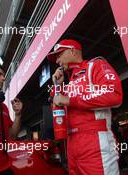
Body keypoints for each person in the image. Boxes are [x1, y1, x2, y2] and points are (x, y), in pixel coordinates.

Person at [47, 39, 123, 175]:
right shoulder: (67, 83)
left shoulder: (95, 65)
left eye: (59, 55)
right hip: (71, 144)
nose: (57, 61)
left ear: (72, 50)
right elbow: (57, 110)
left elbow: (114, 94)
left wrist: (71, 100)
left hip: (96, 142)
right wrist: (57, 86)